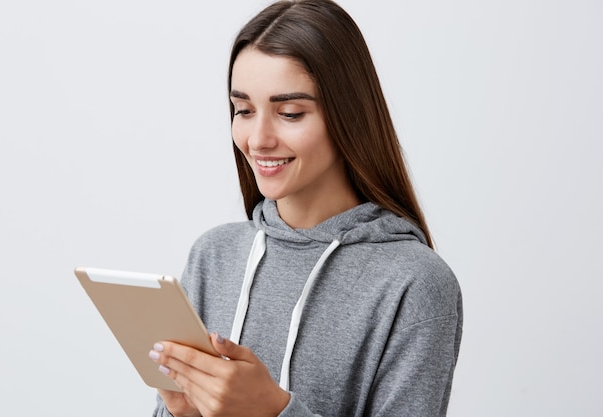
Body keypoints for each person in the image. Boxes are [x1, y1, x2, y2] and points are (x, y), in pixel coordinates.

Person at [150, 0, 463, 416]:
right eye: (243, 110)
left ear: (348, 116)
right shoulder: (214, 257)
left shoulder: (413, 283)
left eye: (290, 113)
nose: (258, 138)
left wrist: (273, 411)